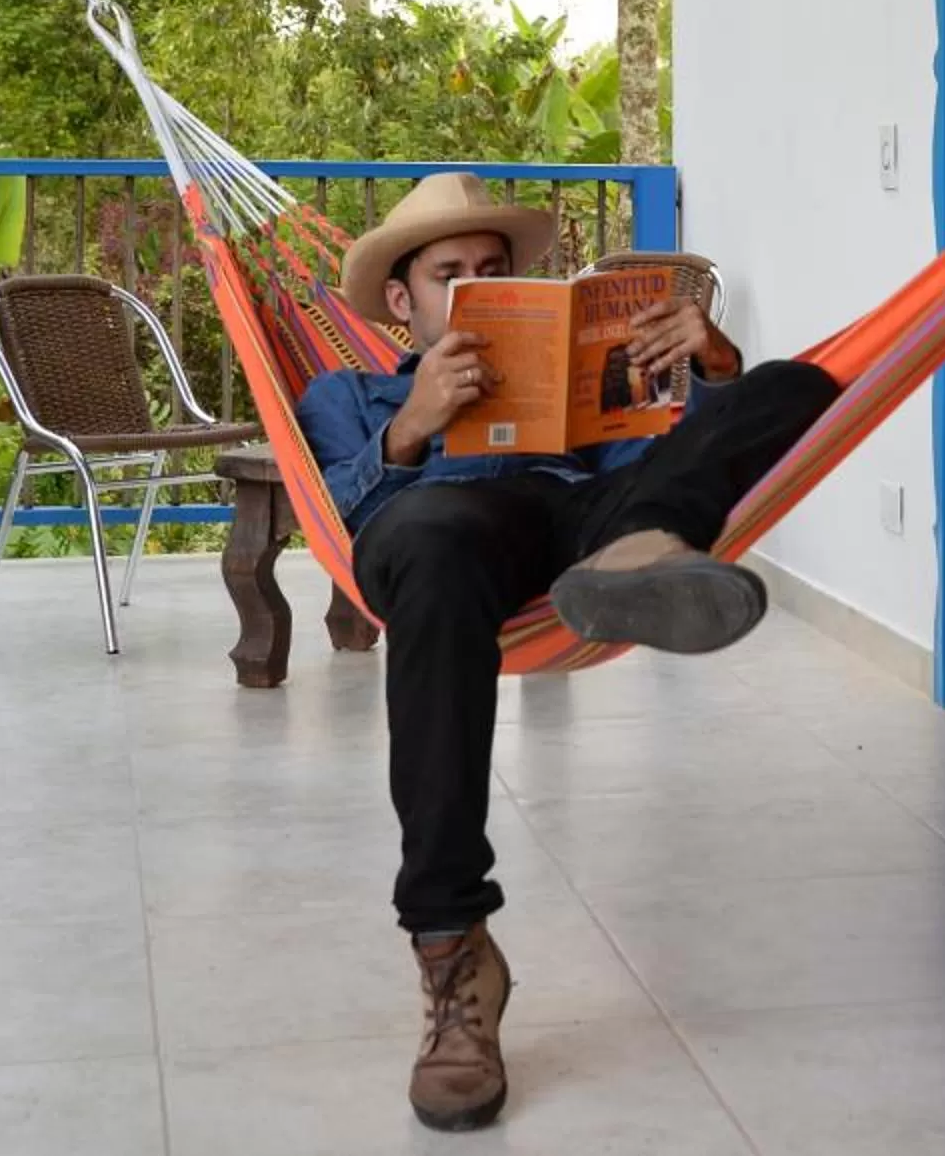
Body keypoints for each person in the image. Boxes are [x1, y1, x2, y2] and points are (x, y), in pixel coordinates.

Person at [295, 171, 840, 1132]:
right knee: (427, 539)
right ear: (402, 300)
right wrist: (416, 423)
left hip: (586, 515)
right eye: (450, 275)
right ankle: (451, 942)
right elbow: (341, 519)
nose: (474, 284)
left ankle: (640, 559)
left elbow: (681, 456)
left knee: (794, 384)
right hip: (445, 534)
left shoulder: (595, 379)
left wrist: (712, 369)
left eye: (493, 271)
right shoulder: (347, 393)